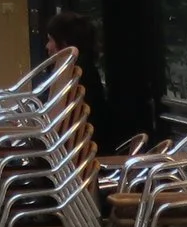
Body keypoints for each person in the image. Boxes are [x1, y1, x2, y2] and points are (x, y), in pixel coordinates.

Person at [44, 9, 143, 152]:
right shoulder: (86, 70)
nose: (47, 46)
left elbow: (55, 123)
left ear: (65, 44)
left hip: (79, 155)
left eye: (50, 40)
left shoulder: (73, 75)